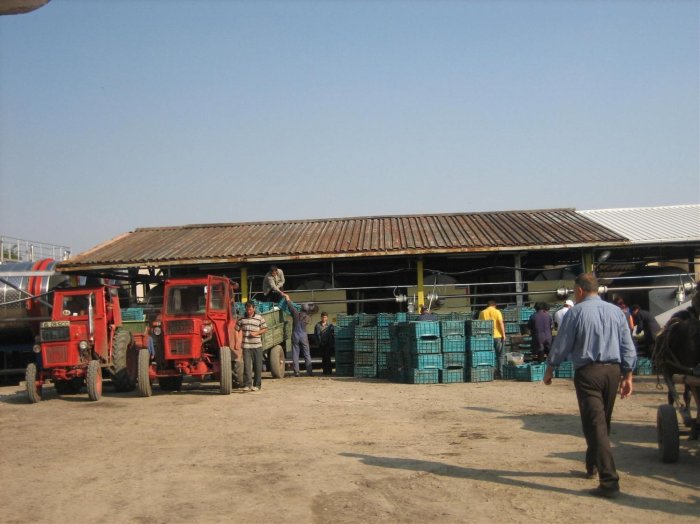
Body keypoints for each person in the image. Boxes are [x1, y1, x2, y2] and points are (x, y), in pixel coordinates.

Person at [544, 273, 636, 499]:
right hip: (613, 372)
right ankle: (592, 464)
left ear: (580, 291)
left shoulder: (576, 313)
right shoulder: (616, 312)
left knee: (595, 423)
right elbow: (627, 344)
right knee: (602, 420)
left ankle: (609, 480)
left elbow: (562, 343)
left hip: (588, 373)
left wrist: (550, 368)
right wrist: (628, 375)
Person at [236, 301, 268, 392]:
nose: (249, 311)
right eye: (247, 309)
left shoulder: (259, 318)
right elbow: (236, 329)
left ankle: (257, 385)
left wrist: (256, 333)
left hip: (257, 346)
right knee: (247, 366)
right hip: (246, 346)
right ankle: (247, 385)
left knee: (257, 366)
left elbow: (265, 329)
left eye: (250, 309)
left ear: (254, 309)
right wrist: (237, 341)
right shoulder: (241, 318)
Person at [284, 293, 313, 377]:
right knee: (307, 354)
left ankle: (296, 372)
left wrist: (287, 298)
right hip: (303, 335)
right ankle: (309, 372)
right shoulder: (308, 317)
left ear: (301, 308)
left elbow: (290, 306)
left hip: (295, 335)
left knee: (295, 354)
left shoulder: (296, 313)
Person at [478, 299, 506, 377]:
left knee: (489, 355)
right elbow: (500, 323)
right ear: (494, 305)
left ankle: (490, 373)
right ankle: (501, 374)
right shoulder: (497, 312)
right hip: (497, 336)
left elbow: (479, 324)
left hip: (487, 337)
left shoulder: (482, 312)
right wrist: (504, 334)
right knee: (500, 355)